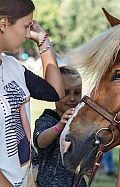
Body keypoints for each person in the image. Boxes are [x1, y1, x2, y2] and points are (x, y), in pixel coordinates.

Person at [0, 0, 64, 186]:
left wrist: (43, 40)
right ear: (3, 24)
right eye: (26, 26)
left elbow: (54, 92)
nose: (29, 34)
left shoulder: (13, 68)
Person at [33, 66, 87, 187]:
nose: (72, 98)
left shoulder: (82, 123)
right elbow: (41, 142)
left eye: (77, 93)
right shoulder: (47, 119)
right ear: (54, 92)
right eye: (65, 92)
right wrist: (59, 126)